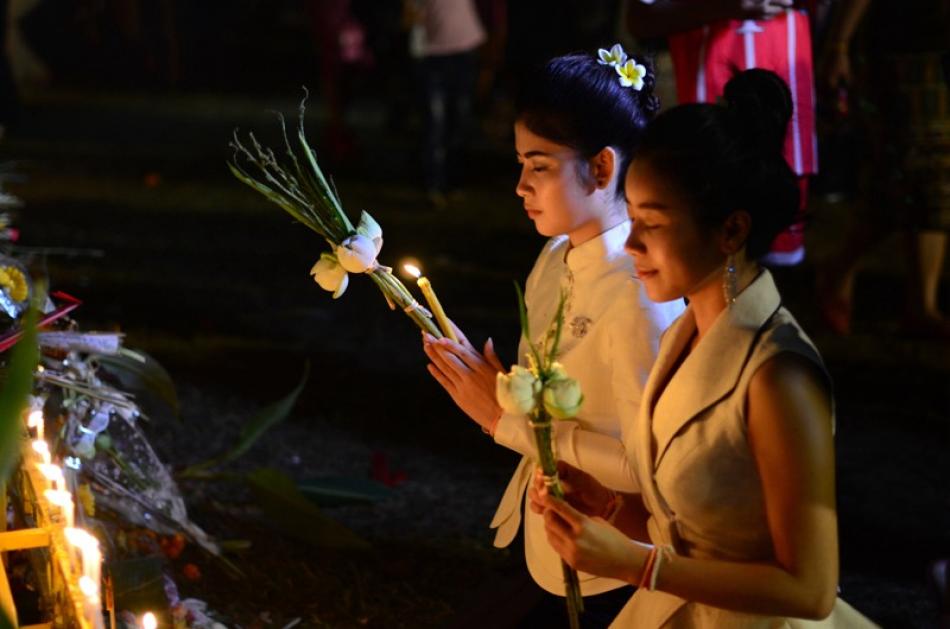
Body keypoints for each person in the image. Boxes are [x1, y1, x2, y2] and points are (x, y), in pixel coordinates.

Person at [529, 69, 875, 627]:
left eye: (653, 223)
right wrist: (613, 509)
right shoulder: (684, 336)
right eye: (633, 217)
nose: (633, 243)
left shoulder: (779, 376)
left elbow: (810, 589)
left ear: (731, 231)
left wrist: (641, 567)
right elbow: (694, 530)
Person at [422, 46, 684, 626]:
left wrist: (502, 419)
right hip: (553, 538)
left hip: (613, 561)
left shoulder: (640, 292)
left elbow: (652, 473)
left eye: (538, 166)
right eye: (520, 163)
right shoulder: (556, 254)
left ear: (602, 168)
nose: (520, 185)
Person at [626, 0, 818, 267]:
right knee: (706, 246)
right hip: (710, 111)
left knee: (772, 244)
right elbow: (640, 19)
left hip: (785, 100)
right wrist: (728, 7)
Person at [815, 0, 950, 337]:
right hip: (903, 51)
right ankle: (843, 272)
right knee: (912, 171)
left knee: (928, 176)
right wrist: (838, 44)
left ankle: (920, 303)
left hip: (935, 47)